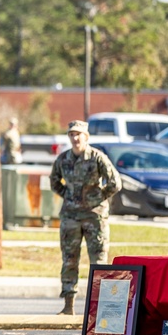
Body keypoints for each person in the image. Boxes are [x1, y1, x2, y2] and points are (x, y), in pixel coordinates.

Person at [49, 120, 122, 315]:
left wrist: (97, 197)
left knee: (99, 261)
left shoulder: (97, 158)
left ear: (86, 137)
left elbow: (115, 182)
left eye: (78, 134)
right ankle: (68, 305)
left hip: (94, 216)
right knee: (69, 260)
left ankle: (100, 308)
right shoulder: (63, 159)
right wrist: (69, 196)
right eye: (71, 134)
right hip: (71, 217)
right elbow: (54, 181)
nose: (75, 138)